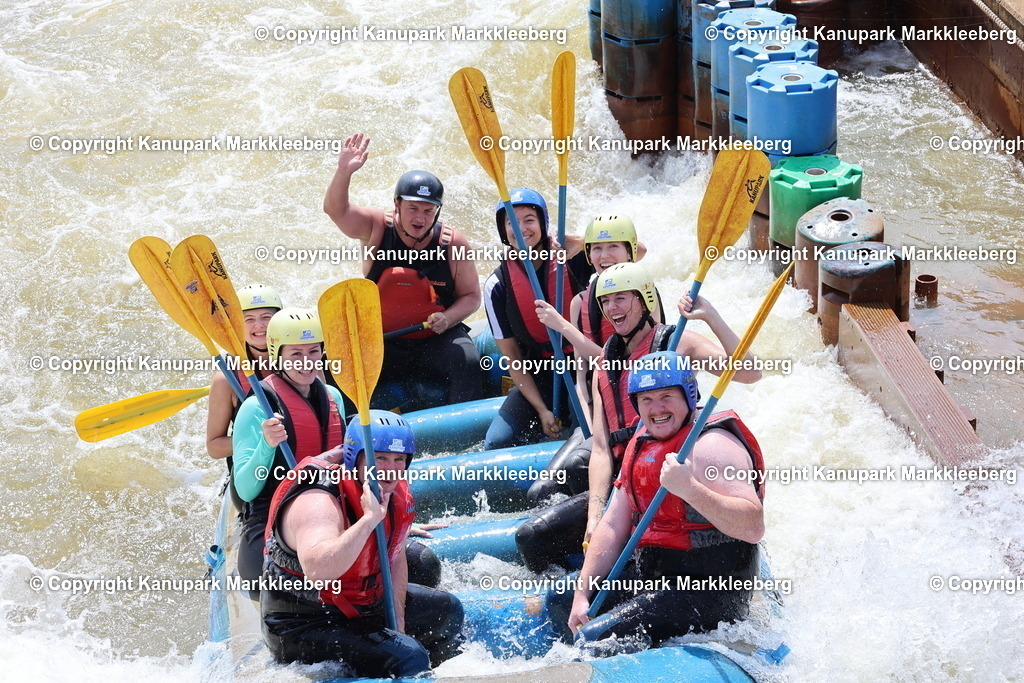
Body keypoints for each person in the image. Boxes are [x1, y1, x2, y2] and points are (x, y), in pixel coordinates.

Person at [516, 262, 761, 572]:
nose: (612, 307)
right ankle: (570, 592)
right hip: (627, 488)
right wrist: (595, 517)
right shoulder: (605, 364)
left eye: (621, 298)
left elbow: (750, 373)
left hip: (674, 482)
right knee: (531, 536)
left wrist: (710, 315)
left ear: (644, 300)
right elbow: (603, 450)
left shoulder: (677, 344)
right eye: (605, 301)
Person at [546, 351, 764, 651]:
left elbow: (753, 527)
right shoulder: (642, 441)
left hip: (712, 586)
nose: (656, 408)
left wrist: (690, 489)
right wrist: (583, 591)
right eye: (646, 400)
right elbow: (612, 525)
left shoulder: (713, 446)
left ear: (688, 397)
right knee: (561, 598)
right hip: (656, 573)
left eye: (665, 397)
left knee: (595, 639)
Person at [261, 411, 464, 678]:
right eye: (379, 458)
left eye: (398, 459)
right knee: (409, 657)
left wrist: (398, 628)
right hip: (304, 623)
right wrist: (369, 519)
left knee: (447, 612)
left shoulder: (391, 487)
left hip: (359, 605)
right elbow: (319, 570)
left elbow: (395, 557)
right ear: (353, 457)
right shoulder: (318, 498)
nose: (390, 469)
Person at [323, 133, 483, 411]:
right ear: (396, 205)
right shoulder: (375, 227)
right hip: (382, 342)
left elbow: (471, 297)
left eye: (427, 210)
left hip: (433, 339)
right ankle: (347, 437)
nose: (420, 218)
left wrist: (447, 318)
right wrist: (343, 172)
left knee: (467, 359)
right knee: (335, 366)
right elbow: (335, 211)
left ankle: (465, 438)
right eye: (412, 209)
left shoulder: (453, 243)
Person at [231, 308, 346, 585]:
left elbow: (349, 465)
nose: (307, 362)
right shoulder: (255, 407)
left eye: (314, 352)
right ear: (277, 356)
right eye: (296, 354)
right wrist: (266, 445)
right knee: (269, 579)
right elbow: (246, 489)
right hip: (274, 514)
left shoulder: (333, 397)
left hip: (327, 505)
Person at [482, 188, 589, 450]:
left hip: (585, 370)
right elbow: (513, 358)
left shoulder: (573, 258)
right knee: (497, 442)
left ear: (542, 224)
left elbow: (637, 251)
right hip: (540, 374)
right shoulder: (497, 285)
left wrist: (582, 242)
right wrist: (541, 410)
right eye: (511, 222)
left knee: (583, 437)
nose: (521, 229)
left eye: (529, 219)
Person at [205, 284, 282, 510]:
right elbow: (214, 447)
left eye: (266, 317)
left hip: (299, 463)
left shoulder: (302, 362)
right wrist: (262, 440)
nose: (259, 326)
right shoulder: (226, 379)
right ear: (237, 325)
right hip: (254, 477)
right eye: (249, 319)